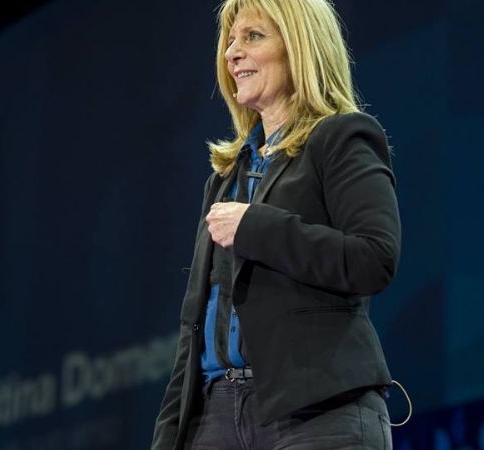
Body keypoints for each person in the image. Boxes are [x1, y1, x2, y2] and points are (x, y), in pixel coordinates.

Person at [151, 0, 401, 449]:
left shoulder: (341, 137)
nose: (231, 53)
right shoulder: (224, 178)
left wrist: (257, 228)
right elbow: (195, 325)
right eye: (230, 41)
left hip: (318, 411)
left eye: (252, 37)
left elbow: (373, 257)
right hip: (215, 416)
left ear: (299, 47)